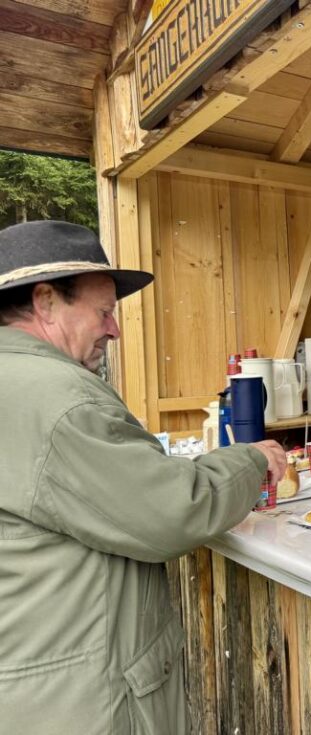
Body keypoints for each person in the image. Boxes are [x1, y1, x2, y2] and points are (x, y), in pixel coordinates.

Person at [0, 220, 286, 733]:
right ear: (45, 302)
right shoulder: (63, 400)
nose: (113, 329)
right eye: (104, 312)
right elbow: (171, 511)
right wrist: (252, 460)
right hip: (80, 697)